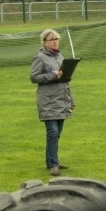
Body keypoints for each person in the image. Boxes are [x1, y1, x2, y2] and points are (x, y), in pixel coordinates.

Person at [30, 29, 76, 177]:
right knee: (53, 132)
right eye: (52, 39)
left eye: (57, 38)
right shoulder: (40, 57)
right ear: (44, 42)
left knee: (57, 133)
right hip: (48, 101)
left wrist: (71, 100)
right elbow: (34, 77)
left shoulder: (60, 56)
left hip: (61, 99)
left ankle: (50, 161)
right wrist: (52, 75)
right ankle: (54, 165)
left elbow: (65, 80)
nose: (55, 41)